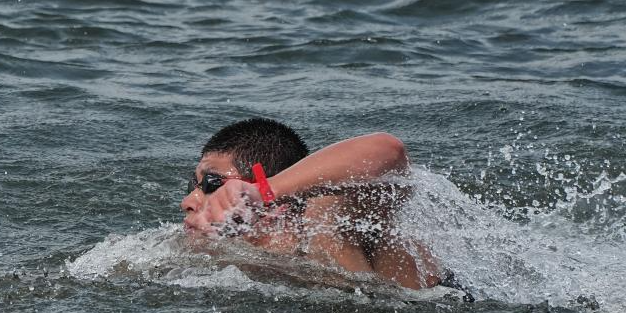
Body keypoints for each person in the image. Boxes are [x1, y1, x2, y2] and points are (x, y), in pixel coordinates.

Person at [181, 118, 441, 290]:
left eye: (213, 183)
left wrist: (265, 191)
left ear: (275, 205)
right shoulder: (218, 252)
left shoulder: (325, 224)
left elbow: (388, 150)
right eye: (194, 184)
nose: (188, 201)